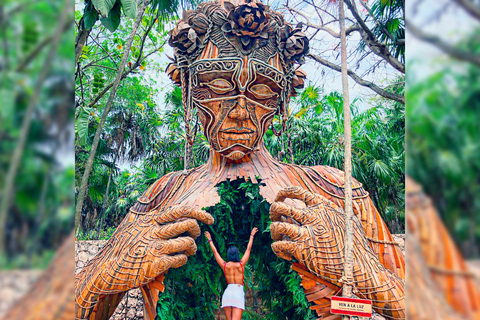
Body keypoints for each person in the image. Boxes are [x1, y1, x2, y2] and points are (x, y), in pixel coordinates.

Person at [205, 228, 258, 320]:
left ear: (228, 255)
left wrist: (210, 240)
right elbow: (248, 249)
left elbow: (215, 252)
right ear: (237, 255)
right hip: (238, 293)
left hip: (228, 293)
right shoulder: (241, 265)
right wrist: (251, 236)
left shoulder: (225, 266)